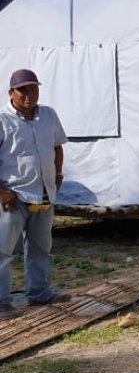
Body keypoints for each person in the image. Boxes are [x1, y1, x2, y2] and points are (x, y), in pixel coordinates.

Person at [0, 69, 70, 319]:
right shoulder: (2, 120)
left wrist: (58, 176)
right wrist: (3, 192)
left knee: (41, 247)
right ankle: (1, 302)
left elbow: (57, 146)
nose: (30, 95)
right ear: (12, 93)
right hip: (14, 197)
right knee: (3, 251)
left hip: (44, 194)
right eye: (23, 90)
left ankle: (40, 293)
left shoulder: (48, 115)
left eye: (34, 89)